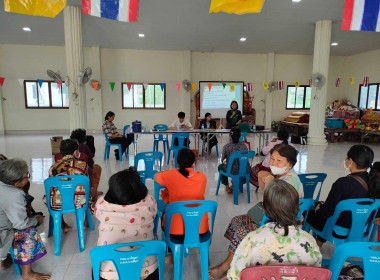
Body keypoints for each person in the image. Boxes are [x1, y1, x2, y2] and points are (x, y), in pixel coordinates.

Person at [209, 143, 303, 279]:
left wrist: (268, 180)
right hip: (274, 218)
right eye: (272, 159)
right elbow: (264, 189)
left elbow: (275, 211)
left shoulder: (285, 184)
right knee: (237, 220)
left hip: (280, 225)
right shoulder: (284, 177)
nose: (273, 163)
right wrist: (265, 176)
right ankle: (233, 261)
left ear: (290, 165)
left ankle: (229, 266)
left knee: (242, 229)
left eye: (279, 161)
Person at [225, 179, 322, 280]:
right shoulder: (310, 241)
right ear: (296, 208)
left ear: (265, 209)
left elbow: (235, 276)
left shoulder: (252, 240)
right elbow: (316, 272)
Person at [306, 145, 377, 247]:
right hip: (361, 228)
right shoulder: (374, 182)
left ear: (351, 161)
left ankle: (313, 247)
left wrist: (319, 209)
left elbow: (327, 212)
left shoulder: (342, 183)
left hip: (340, 230)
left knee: (310, 212)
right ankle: (320, 241)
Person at [95, 168, 158, 280]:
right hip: (145, 272)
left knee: (96, 262)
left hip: (111, 274)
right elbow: (149, 197)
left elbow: (101, 200)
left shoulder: (102, 209)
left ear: (112, 193)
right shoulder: (149, 206)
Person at [154, 148, 207, 263]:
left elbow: (156, 177)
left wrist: (171, 172)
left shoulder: (170, 175)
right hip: (200, 231)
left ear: (177, 162)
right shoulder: (202, 177)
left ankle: (174, 255)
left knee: (166, 211)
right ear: (194, 163)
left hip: (176, 233)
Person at [0, 159, 51, 280]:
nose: (28, 177)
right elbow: (21, 224)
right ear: (17, 183)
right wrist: (36, 220)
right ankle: (27, 274)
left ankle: (5, 260)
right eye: (27, 175)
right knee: (29, 232)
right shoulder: (14, 195)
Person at [47, 139, 90, 233]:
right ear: (76, 152)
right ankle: (86, 222)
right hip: (79, 200)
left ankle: (61, 224)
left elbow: (51, 186)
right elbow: (87, 183)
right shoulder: (82, 165)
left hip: (56, 202)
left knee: (54, 192)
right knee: (90, 191)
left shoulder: (53, 167)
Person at [69, 129, 102, 194]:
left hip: (68, 173)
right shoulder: (84, 147)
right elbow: (90, 162)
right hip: (83, 172)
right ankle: (93, 191)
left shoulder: (69, 146)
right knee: (97, 168)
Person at [218, 127, 249, 194]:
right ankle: (236, 184)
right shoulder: (244, 146)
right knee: (239, 166)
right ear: (240, 136)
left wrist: (227, 161)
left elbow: (222, 159)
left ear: (230, 136)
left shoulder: (227, 146)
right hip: (244, 169)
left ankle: (227, 187)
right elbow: (246, 157)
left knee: (220, 167)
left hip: (231, 170)